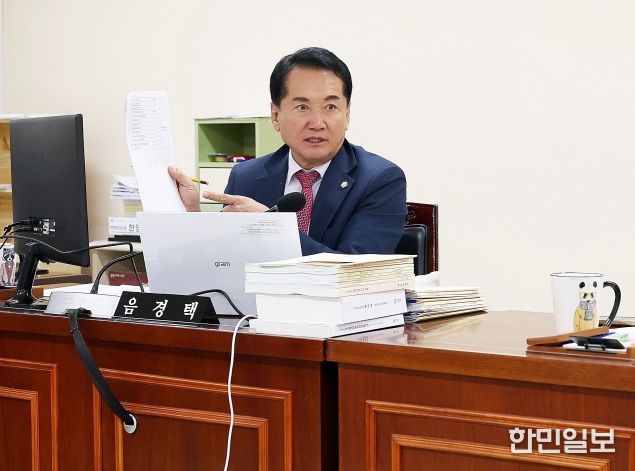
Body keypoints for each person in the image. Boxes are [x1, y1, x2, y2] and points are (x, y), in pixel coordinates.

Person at [169, 47, 407, 255]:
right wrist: (192, 215)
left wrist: (270, 226)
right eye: (302, 107)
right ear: (275, 116)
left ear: (347, 115)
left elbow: (355, 273)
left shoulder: (380, 180)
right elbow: (224, 260)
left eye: (330, 107)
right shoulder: (246, 176)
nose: (317, 123)